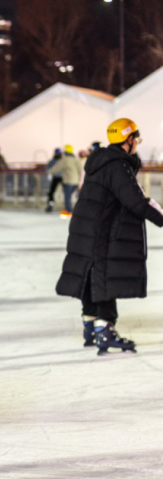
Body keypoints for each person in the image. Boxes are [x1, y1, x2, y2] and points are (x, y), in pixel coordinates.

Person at [56, 118, 163, 355]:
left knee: (91, 274)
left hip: (85, 230)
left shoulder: (101, 162)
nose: (138, 144)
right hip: (99, 231)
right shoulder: (116, 166)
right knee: (103, 276)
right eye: (137, 139)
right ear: (129, 139)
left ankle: (90, 326)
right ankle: (104, 330)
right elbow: (136, 201)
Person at [47, 144, 81, 216]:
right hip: (76, 181)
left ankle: (69, 211)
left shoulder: (64, 160)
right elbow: (80, 170)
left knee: (67, 197)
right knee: (72, 196)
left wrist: (49, 172)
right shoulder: (75, 160)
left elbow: (56, 168)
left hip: (68, 181)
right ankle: (72, 210)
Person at [45, 148, 63, 212]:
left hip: (63, 178)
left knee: (66, 193)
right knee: (51, 192)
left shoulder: (63, 161)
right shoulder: (52, 161)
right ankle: (50, 205)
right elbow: (48, 169)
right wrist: (49, 174)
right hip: (56, 177)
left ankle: (67, 207)